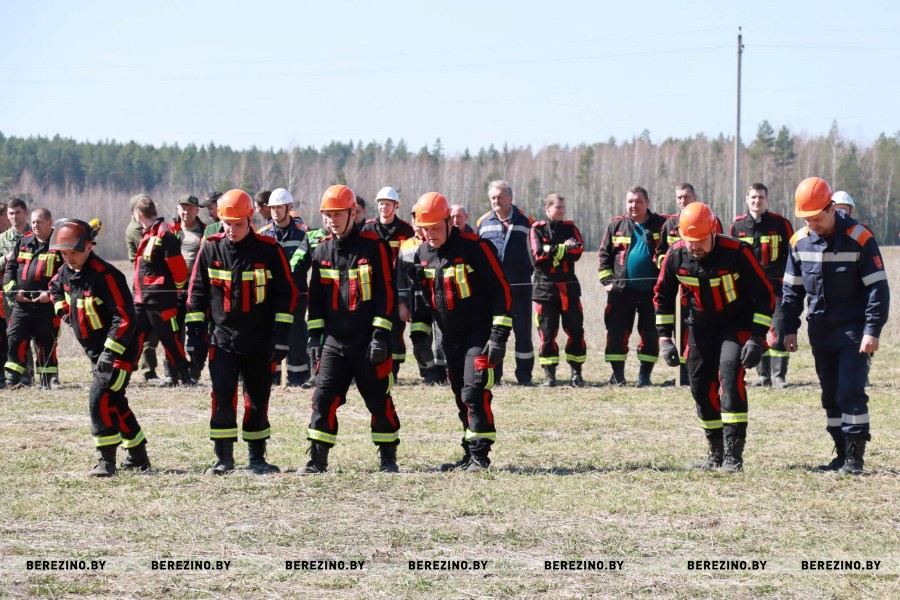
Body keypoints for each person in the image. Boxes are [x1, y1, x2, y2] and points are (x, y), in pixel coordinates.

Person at [655, 202, 775, 471]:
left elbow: (765, 294)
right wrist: (665, 339)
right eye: (690, 241)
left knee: (729, 377)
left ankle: (733, 455)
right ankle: (715, 452)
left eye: (700, 240)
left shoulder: (737, 252)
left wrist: (757, 337)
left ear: (712, 232)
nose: (694, 247)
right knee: (699, 385)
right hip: (700, 326)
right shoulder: (676, 255)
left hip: (736, 323)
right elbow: (662, 295)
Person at [783, 177, 890, 475]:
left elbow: (878, 289)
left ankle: (855, 459)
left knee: (850, 391)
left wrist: (872, 330)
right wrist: (789, 328)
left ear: (831, 208)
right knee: (830, 394)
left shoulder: (860, 238)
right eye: (807, 219)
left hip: (854, 331)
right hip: (821, 331)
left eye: (817, 218)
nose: (812, 225)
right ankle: (840, 454)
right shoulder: (799, 241)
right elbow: (792, 291)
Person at [186, 189, 297, 475]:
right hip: (222, 340)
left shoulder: (269, 250)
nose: (232, 230)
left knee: (257, 399)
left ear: (250, 220)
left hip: (260, 340)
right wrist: (194, 334)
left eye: (238, 224)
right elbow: (196, 293)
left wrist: (281, 336)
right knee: (222, 396)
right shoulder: (210, 248)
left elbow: (287, 295)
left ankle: (257, 458)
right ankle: (224, 459)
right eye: (227, 223)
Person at [300, 185, 400, 474]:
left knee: (378, 399)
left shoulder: (374, 246)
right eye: (327, 215)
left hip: (368, 341)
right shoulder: (321, 250)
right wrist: (314, 338)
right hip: (334, 341)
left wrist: (380, 336)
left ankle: (388, 458)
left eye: (337, 214)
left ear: (352, 213)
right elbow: (315, 300)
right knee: (323, 398)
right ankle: (317, 460)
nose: (331, 220)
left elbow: (387, 295)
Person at [412, 192, 512, 472]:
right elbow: (421, 301)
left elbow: (501, 291)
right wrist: (419, 338)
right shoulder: (422, 254)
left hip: (479, 333)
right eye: (425, 229)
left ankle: (480, 455)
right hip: (449, 337)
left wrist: (498, 336)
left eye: (435, 227)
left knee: (474, 390)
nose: (430, 234)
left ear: (449, 222)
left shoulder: (475, 247)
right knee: (460, 394)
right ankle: (469, 453)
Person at [49, 218, 152, 476]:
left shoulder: (106, 275)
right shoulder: (66, 272)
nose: (68, 258)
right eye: (64, 254)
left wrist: (110, 352)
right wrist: (65, 312)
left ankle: (106, 461)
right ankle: (138, 455)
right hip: (96, 352)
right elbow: (54, 288)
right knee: (115, 402)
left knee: (100, 398)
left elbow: (124, 317)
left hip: (121, 350)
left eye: (73, 252)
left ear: (88, 246)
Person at [654, 184, 724, 384]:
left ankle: (709, 373)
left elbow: (719, 249)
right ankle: (684, 375)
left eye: (686, 196)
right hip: (679, 286)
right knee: (681, 330)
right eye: (679, 197)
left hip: (703, 288)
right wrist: (670, 267)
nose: (683, 201)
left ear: (695, 197)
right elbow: (660, 253)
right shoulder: (669, 224)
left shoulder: (710, 219)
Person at [599, 186, 667, 386]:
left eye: (638, 201)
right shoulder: (616, 226)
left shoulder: (662, 225)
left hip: (652, 292)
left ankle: (644, 377)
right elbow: (604, 255)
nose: (634, 205)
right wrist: (607, 282)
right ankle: (618, 376)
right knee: (616, 332)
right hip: (621, 291)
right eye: (630, 201)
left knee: (651, 333)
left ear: (647, 203)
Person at [730, 183, 794, 388]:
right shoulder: (737, 227)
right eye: (753, 197)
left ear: (767, 200)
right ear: (747, 200)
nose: (757, 201)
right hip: (750, 289)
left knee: (779, 328)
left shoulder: (780, 224)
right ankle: (763, 375)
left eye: (761, 197)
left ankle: (779, 376)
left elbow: (792, 255)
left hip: (777, 287)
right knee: (756, 329)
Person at [132, 196, 195, 387]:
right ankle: (123, 371)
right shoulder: (147, 232)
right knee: (134, 336)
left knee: (169, 338)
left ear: (138, 214)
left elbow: (178, 268)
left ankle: (184, 375)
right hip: (141, 298)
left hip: (160, 299)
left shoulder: (164, 233)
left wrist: (176, 291)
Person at [476, 180, 534, 385]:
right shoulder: (483, 222)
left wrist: (525, 274)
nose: (496, 201)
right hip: (494, 291)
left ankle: (524, 377)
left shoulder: (526, 220)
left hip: (520, 288)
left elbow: (534, 251)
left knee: (523, 333)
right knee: (495, 333)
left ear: (510, 198)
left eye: (500, 197)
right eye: (493, 197)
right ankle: (496, 376)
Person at [529, 193, 586, 387]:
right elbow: (537, 257)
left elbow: (577, 251)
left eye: (563, 207)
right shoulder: (537, 229)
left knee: (576, 331)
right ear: (547, 208)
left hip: (569, 289)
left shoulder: (571, 228)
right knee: (547, 333)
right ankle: (549, 375)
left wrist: (551, 249)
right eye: (557, 207)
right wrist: (563, 249)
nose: (561, 211)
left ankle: (576, 373)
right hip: (545, 290)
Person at [257, 188, 311, 387]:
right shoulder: (262, 235)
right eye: (272, 208)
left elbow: (304, 263)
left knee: (296, 335)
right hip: (270, 296)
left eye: (279, 207)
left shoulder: (303, 235)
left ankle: (299, 378)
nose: (275, 211)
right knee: (271, 333)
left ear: (289, 208)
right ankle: (271, 377)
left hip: (296, 294)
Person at [3, 208, 62, 389]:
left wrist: (50, 295)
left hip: (46, 304)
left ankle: (49, 379)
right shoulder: (24, 241)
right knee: (15, 337)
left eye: (39, 222)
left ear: (50, 222)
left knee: (46, 341)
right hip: (22, 303)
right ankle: (14, 378)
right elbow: (10, 268)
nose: (35, 225)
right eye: (34, 222)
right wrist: (14, 292)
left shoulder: (59, 244)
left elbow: (65, 275)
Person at [362, 186, 416, 378]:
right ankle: (375, 367)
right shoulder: (368, 229)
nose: (383, 207)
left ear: (396, 206)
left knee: (396, 330)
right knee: (373, 329)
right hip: (374, 288)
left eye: (387, 204)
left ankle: (394, 368)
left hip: (396, 287)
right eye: (381, 204)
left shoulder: (406, 230)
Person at [398, 208, 447, 385]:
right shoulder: (406, 246)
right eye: (413, 218)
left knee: (443, 340)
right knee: (419, 340)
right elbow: (400, 278)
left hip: (439, 301)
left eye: (419, 218)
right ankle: (428, 374)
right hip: (417, 304)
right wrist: (402, 304)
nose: (416, 222)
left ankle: (443, 373)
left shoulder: (439, 242)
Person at [126, 194, 161, 382]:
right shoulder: (136, 229)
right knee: (141, 330)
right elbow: (150, 254)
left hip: (151, 283)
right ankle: (135, 367)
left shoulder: (147, 227)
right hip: (144, 284)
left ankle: (147, 369)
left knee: (150, 332)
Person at [1, 196, 35, 385]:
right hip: (11, 297)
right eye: (11, 213)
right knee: (16, 336)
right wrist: (5, 258)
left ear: (26, 213)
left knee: (41, 337)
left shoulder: (37, 234)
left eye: (18, 213)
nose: (14, 217)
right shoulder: (2, 239)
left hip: (35, 293)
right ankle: (24, 375)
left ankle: (47, 376)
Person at [176, 195, 206, 380]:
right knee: (174, 332)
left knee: (196, 331)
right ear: (178, 209)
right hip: (174, 289)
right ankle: (176, 372)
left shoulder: (205, 231)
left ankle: (195, 370)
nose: (186, 212)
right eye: (183, 208)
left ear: (197, 210)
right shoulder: (170, 230)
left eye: (190, 208)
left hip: (197, 288)